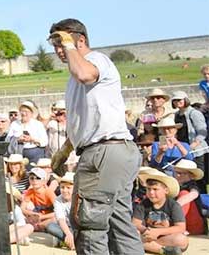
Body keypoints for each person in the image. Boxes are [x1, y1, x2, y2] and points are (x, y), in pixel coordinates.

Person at [48, 19, 142, 255]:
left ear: (80, 40)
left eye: (62, 43)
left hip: (104, 152)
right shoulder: (74, 77)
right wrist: (65, 151)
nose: (59, 50)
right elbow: (85, 122)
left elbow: (84, 74)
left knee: (88, 225)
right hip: (112, 151)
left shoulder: (95, 61)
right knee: (119, 224)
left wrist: (70, 45)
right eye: (56, 45)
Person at [133, 169, 188, 255]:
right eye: (148, 189)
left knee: (181, 240)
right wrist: (146, 230)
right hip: (147, 235)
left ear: (166, 190)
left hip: (166, 236)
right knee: (134, 234)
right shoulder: (143, 204)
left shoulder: (173, 205)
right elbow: (135, 223)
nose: (151, 193)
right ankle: (164, 250)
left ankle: (150, 247)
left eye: (155, 189)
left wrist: (158, 232)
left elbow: (180, 227)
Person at [21, 167, 63, 243]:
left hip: (48, 217)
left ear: (44, 181)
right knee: (23, 216)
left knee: (54, 219)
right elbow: (22, 208)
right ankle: (32, 229)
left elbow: (59, 210)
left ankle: (38, 227)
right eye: (32, 178)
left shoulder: (48, 192)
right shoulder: (30, 191)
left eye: (38, 178)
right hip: (37, 217)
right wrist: (32, 214)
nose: (34, 181)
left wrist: (42, 217)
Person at [172, 159, 205, 236]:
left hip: (194, 224)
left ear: (191, 175)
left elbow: (194, 194)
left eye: (180, 173)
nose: (177, 175)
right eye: (176, 172)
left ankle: (177, 226)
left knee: (184, 194)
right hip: (183, 221)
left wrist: (174, 206)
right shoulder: (176, 186)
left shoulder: (192, 185)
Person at [54, 172, 75, 250]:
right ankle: (71, 240)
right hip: (66, 228)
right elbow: (61, 219)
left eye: (68, 188)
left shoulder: (80, 198)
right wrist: (69, 234)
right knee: (51, 226)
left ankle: (70, 241)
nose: (65, 190)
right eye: (62, 187)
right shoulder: (58, 200)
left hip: (79, 229)